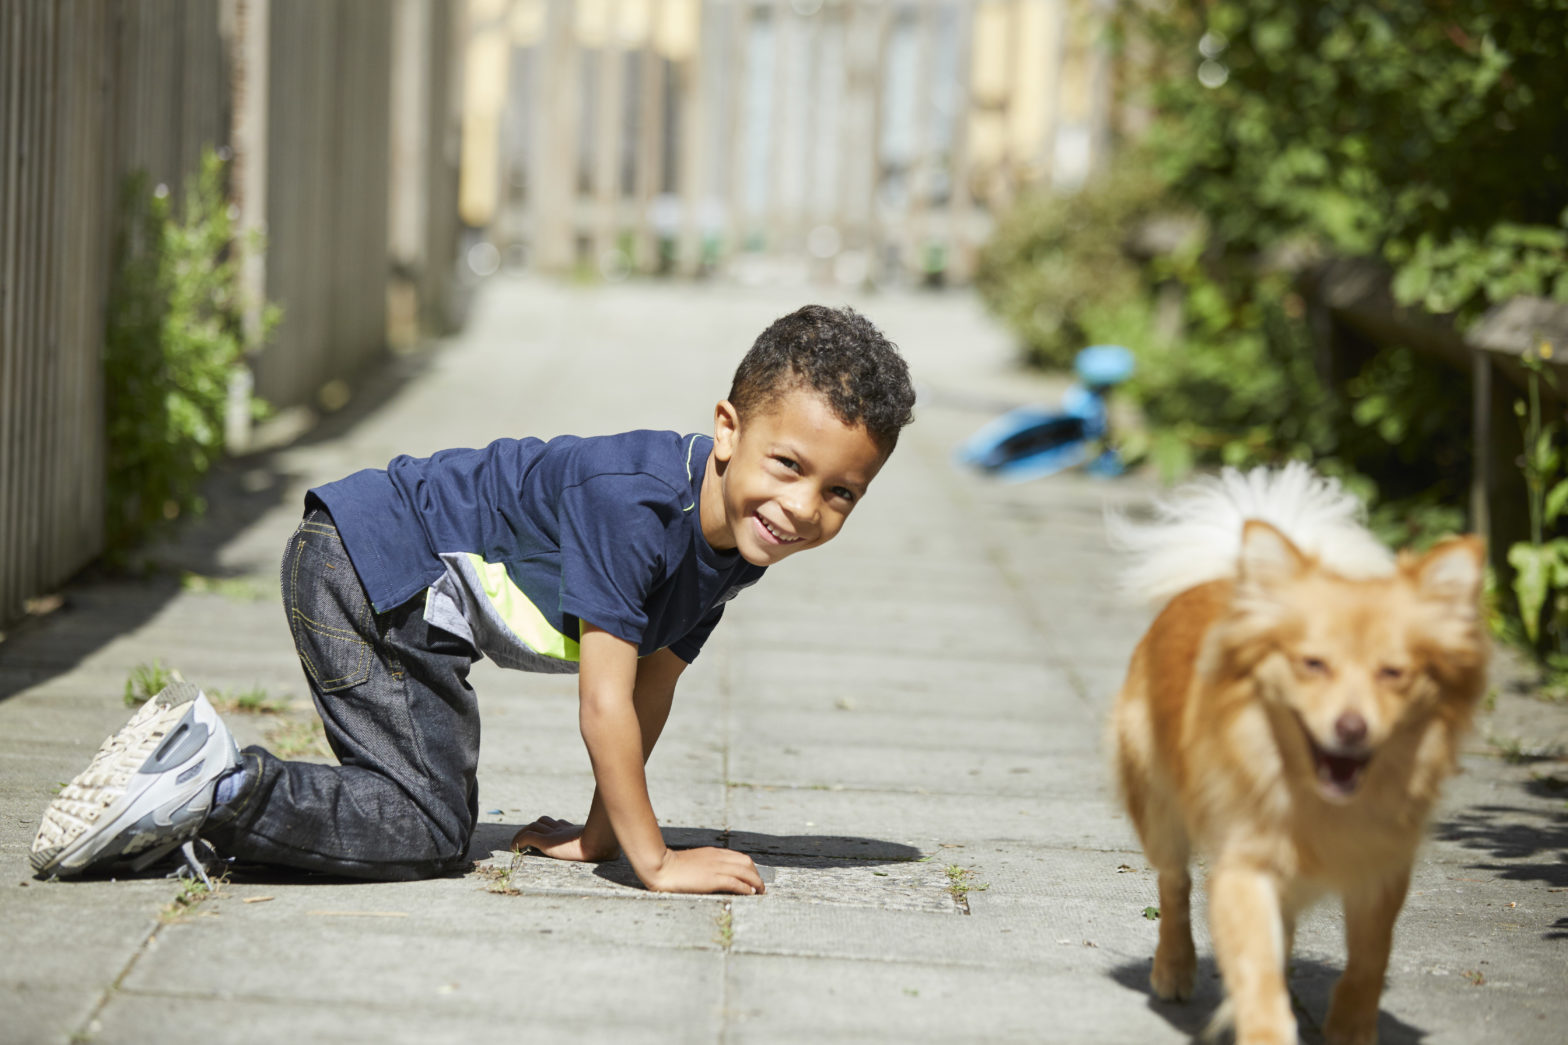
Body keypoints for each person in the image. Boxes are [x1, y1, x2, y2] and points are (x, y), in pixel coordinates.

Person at [31, 305, 917, 896]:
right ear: (728, 429)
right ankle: (212, 783)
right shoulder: (639, 505)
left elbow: (654, 685)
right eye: (789, 465)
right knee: (425, 827)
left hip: (407, 596)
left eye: (842, 493)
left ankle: (198, 789)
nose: (803, 508)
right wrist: (656, 861)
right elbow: (604, 699)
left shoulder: (740, 544)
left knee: (423, 814)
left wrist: (601, 836)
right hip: (368, 565)